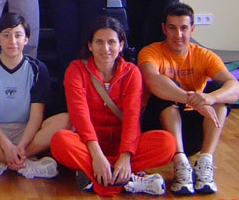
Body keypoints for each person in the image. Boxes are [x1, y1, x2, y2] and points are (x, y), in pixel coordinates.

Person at [51, 16, 176, 197]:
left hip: (124, 144)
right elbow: (80, 116)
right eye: (99, 42)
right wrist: (97, 156)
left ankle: (98, 177)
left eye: (111, 42)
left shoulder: (132, 72)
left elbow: (132, 117)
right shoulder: (76, 69)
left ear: (121, 44)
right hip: (88, 145)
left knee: (167, 143)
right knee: (60, 141)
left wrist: (125, 156)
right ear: (90, 45)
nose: (106, 48)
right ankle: (126, 181)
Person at [139, 2, 239, 195]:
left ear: (192, 29)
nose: (178, 35)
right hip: (160, 128)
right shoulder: (150, 51)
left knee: (219, 91)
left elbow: (234, 87)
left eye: (184, 28)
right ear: (164, 29)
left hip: (193, 131)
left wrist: (209, 98)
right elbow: (152, 81)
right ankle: (180, 163)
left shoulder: (204, 55)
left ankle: (205, 162)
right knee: (167, 88)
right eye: (172, 28)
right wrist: (191, 98)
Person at [0, 13, 70, 180]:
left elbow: (37, 116)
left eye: (18, 35)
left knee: (66, 119)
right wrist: (5, 144)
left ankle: (12, 158)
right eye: (6, 35)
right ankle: (13, 161)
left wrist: (21, 146)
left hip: (27, 133)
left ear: (26, 39)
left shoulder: (38, 69)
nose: (12, 41)